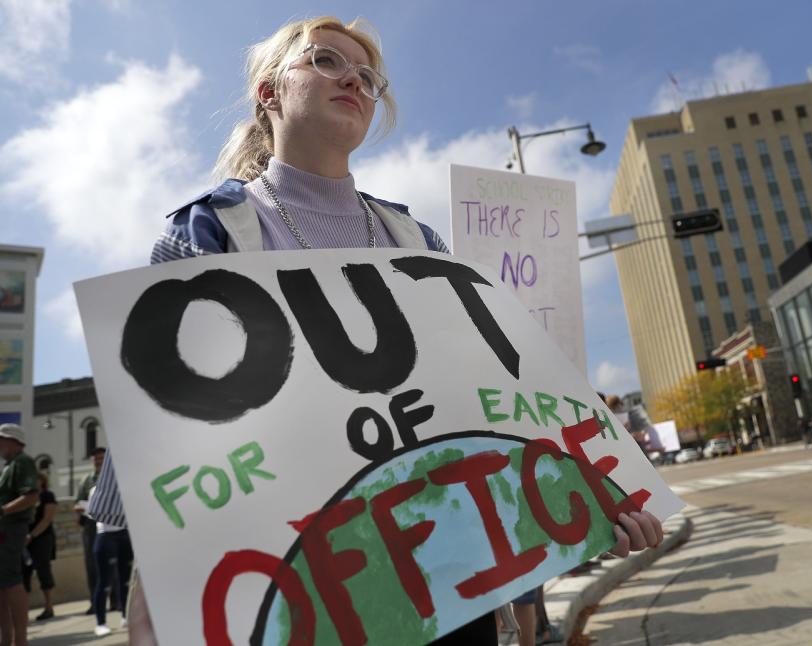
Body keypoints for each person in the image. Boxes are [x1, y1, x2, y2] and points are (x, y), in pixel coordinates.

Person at [88, 15, 664, 644]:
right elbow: (157, 441)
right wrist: (154, 588)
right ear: (269, 93)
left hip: (448, 576)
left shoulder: (419, 242)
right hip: (305, 591)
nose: (355, 83)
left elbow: (491, 401)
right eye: (326, 62)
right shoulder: (207, 235)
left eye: (368, 77)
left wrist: (588, 503)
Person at [0, 424, 39, 646]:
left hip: (11, 528)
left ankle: (19, 641)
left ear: (13, 441)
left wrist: (3, 510)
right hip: (6, 528)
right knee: (3, 582)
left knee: (11, 580)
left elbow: (31, 495)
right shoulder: (11, 465)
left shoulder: (22, 462)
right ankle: (7, 639)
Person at [75, 447, 116, 615]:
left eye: (101, 458)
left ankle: (117, 601)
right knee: (92, 566)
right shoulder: (86, 480)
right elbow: (78, 503)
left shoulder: (115, 477)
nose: (98, 461)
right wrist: (82, 508)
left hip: (112, 525)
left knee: (114, 563)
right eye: (96, 459)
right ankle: (95, 603)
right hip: (91, 527)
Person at [90, 485, 134, 638]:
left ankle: (126, 616)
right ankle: (100, 623)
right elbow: (95, 513)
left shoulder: (123, 486)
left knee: (126, 580)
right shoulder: (96, 489)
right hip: (106, 535)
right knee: (104, 582)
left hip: (123, 533)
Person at [23, 472, 57, 621]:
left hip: (42, 539)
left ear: (42, 481)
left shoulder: (48, 496)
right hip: (25, 541)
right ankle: (22, 610)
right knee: (23, 574)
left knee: (44, 571)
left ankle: (49, 607)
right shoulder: (26, 497)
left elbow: (47, 519)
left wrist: (32, 535)